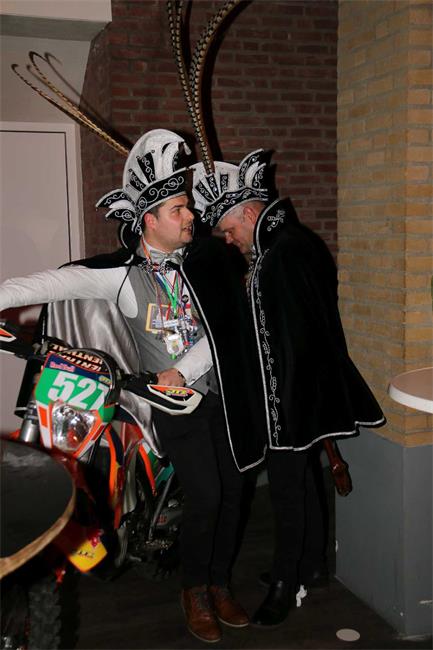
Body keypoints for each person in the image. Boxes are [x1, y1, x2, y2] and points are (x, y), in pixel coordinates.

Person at [0, 130, 270, 643]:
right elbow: (46, 283)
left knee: (236, 491)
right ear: (149, 219)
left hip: (227, 395)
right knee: (208, 496)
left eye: (188, 205)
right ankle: (194, 590)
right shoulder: (119, 275)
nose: (191, 215)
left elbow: (227, 327)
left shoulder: (207, 262)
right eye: (178, 208)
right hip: (174, 407)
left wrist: (185, 367)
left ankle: (219, 583)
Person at [192, 150, 386, 626]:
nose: (230, 240)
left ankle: (286, 583)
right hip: (302, 393)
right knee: (303, 481)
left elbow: (287, 340)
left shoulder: (283, 254)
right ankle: (310, 564)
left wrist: (279, 410)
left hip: (292, 400)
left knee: (286, 491)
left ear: (249, 214)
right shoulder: (289, 245)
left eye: (230, 230)